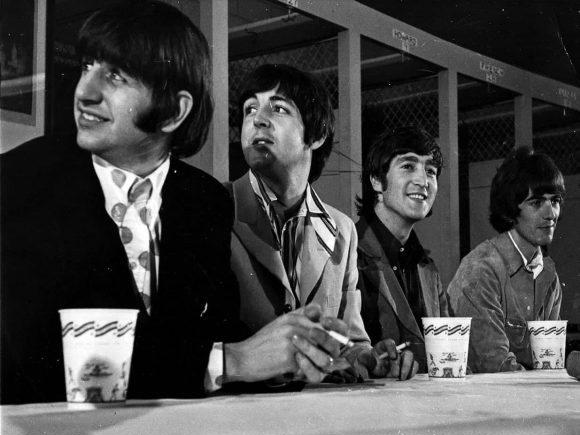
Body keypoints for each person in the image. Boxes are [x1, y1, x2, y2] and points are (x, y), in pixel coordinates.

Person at [0, 2, 347, 404]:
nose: (84, 92)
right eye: (87, 67)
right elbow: (33, 358)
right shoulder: (20, 182)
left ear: (174, 110)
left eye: (115, 76)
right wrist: (232, 362)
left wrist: (295, 351)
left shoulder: (204, 200)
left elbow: (211, 332)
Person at [226, 64, 418, 382]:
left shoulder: (342, 229)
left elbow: (350, 344)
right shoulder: (215, 209)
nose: (257, 119)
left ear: (315, 136)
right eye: (250, 109)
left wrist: (371, 358)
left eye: (278, 108)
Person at [447, 147, 565, 373]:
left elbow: (550, 363)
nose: (551, 213)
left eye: (556, 200)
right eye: (537, 202)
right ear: (511, 209)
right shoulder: (481, 269)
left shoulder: (549, 275)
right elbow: (495, 366)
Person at [355, 126, 449, 372]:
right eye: (408, 166)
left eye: (431, 171)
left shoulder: (428, 268)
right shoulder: (348, 253)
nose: (423, 181)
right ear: (376, 180)